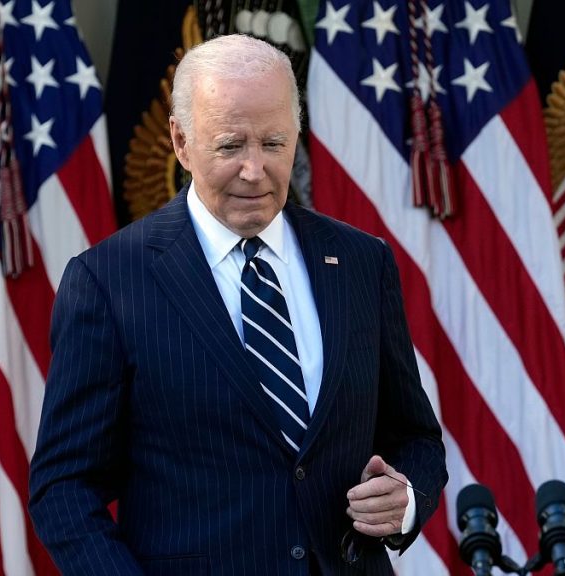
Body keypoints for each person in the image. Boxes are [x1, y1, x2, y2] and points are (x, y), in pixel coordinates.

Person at [28, 34, 447, 576]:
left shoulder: (362, 262)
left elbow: (414, 435)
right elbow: (64, 486)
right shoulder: (108, 281)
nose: (255, 170)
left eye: (274, 144)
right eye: (230, 145)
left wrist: (406, 498)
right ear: (181, 142)